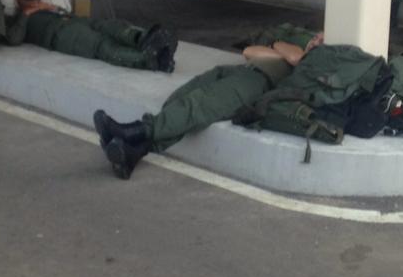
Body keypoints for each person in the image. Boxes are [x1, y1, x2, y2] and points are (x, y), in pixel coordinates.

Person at [92, 31, 321, 179]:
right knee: (178, 100)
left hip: (257, 83)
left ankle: (130, 131)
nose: (316, 40)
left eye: (321, 40)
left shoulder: (308, 60)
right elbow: (249, 52)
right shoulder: (294, 49)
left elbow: (294, 58)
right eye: (316, 36)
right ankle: (133, 153)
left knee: (199, 105)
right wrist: (275, 45)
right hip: (237, 71)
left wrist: (283, 47)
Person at [4, 0, 177, 72]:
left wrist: (51, 7)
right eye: (29, 0)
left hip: (73, 21)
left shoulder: (43, 5)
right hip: (60, 35)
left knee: (110, 26)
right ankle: (152, 60)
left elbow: (67, 13)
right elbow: (14, 39)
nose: (35, 2)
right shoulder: (16, 18)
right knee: (101, 45)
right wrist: (26, 14)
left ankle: (144, 39)